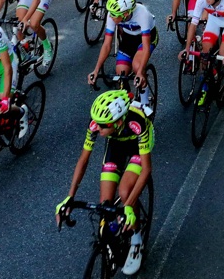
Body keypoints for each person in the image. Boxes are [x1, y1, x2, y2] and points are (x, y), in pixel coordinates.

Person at [57, 90, 153, 276]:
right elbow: (83, 160)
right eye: (97, 124)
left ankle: (136, 240)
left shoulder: (137, 123)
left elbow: (147, 170)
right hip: (116, 144)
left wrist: (128, 207)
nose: (97, 128)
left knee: (125, 193)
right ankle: (110, 242)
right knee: (105, 204)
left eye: (103, 126)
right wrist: (70, 196)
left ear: (117, 122)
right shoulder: (96, 124)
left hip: (137, 147)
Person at [88, 0, 157, 111]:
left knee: (137, 66)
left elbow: (145, 47)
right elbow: (107, 45)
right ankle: (127, 103)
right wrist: (96, 69)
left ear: (125, 13)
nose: (110, 16)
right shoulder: (113, 14)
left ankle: (145, 103)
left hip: (145, 39)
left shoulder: (142, 14)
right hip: (128, 38)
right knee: (121, 73)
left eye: (114, 14)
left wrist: (140, 72)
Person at [181, 0, 224, 95]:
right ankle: (204, 86)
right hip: (214, 20)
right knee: (204, 53)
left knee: (223, 54)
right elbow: (193, 24)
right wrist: (187, 48)